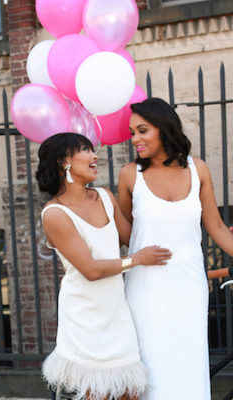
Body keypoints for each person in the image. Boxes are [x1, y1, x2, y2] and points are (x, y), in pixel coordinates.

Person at [117, 98, 233, 399]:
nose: (135, 139)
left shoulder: (198, 169)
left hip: (188, 286)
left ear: (164, 129)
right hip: (144, 288)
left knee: (187, 365)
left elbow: (216, 227)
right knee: (149, 365)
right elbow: (125, 233)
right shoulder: (129, 175)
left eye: (142, 131)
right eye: (132, 133)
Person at [36, 132, 172, 400]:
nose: (94, 155)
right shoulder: (54, 213)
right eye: (85, 150)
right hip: (84, 315)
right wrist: (137, 260)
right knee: (94, 393)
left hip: (116, 312)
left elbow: (130, 238)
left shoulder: (104, 196)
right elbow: (91, 270)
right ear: (64, 161)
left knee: (130, 391)